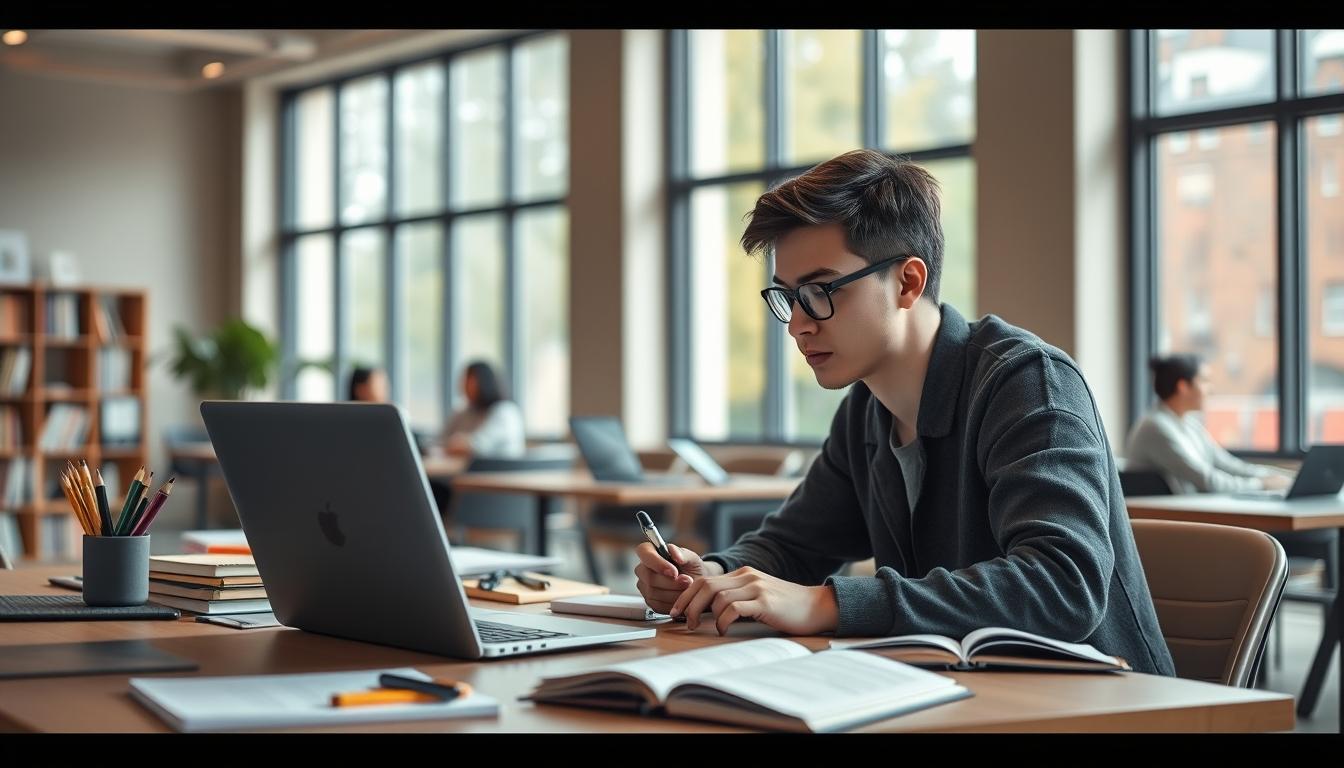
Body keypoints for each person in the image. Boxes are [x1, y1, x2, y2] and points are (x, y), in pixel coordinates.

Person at [632, 148, 1175, 676]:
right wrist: (712, 576)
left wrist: (826, 605)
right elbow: (794, 545)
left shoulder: (1028, 382)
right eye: (787, 297)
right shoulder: (866, 408)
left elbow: (1062, 585)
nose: (798, 325)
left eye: (819, 292)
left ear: (908, 283)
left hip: (1100, 705)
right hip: (958, 694)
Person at [1124, 354, 1293, 493]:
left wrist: (1283, 478)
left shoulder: (1189, 424)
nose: (1210, 389)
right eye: (1205, 381)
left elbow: (1228, 465)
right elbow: (1208, 481)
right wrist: (1262, 484)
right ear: (1183, 386)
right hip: (1170, 520)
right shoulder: (1155, 428)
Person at [441, 361, 525, 460]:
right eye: (464, 380)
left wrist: (458, 443)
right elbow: (442, 440)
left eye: (469, 380)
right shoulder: (465, 412)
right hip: (467, 471)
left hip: (498, 472)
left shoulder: (505, 412)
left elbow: (477, 445)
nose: (463, 386)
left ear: (485, 382)